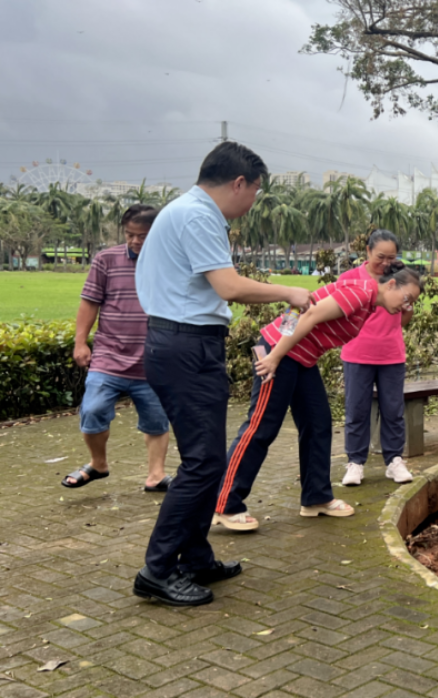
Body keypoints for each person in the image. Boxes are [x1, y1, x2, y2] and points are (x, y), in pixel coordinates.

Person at [132, 142, 311, 607]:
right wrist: (288, 291)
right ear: (239, 183)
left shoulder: (190, 212)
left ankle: (194, 557)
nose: (253, 202)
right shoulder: (198, 215)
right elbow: (228, 287)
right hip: (184, 346)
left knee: (206, 457)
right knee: (203, 462)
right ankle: (157, 569)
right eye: (255, 191)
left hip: (185, 344)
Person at [211, 263, 423, 531]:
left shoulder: (368, 300)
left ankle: (316, 497)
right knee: (261, 427)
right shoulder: (360, 293)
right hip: (283, 356)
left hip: (301, 359)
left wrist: (279, 342)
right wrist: (274, 353)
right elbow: (308, 317)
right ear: (391, 284)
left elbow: (303, 303)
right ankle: (224, 504)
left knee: (318, 424)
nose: (406, 306)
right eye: (407, 299)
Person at [63, 205, 171, 492]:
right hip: (109, 356)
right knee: (93, 409)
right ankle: (98, 464)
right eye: (130, 234)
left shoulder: (170, 261)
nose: (135, 241)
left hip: (153, 359)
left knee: (157, 419)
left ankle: (156, 476)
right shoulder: (106, 259)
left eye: (143, 236)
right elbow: (90, 302)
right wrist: (80, 341)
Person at [338, 230, 416, 487]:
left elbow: (403, 321)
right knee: (357, 410)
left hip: (391, 355)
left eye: (391, 257)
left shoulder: (399, 279)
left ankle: (394, 461)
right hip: (357, 354)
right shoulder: (349, 278)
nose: (385, 263)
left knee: (393, 411)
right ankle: (355, 462)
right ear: (368, 252)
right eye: (380, 256)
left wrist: (408, 307)